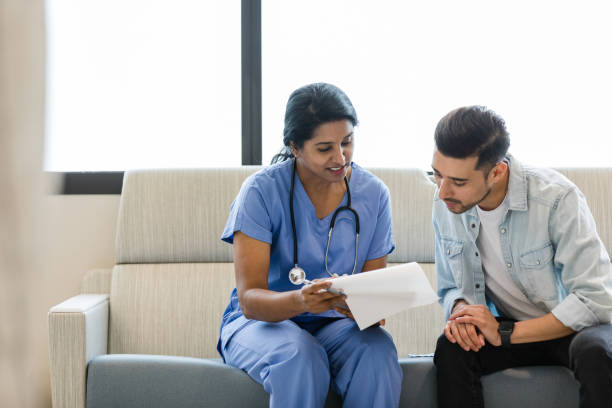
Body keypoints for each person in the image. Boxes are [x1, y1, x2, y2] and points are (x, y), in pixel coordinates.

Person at [217, 83, 402, 407]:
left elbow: (374, 296)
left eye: (347, 142)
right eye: (324, 148)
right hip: (263, 323)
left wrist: (367, 306)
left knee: (377, 352)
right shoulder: (261, 192)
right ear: (295, 147)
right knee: (299, 356)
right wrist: (301, 301)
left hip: (337, 326)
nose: (340, 157)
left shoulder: (373, 194)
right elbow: (250, 300)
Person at [431, 106, 612, 408]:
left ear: (498, 171)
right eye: (436, 175)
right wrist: (463, 313)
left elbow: (595, 298)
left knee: (596, 352)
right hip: (507, 328)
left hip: (574, 328)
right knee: (452, 348)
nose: (442, 191)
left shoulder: (556, 198)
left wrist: (506, 333)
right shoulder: (446, 202)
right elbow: (450, 286)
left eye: (458, 182)